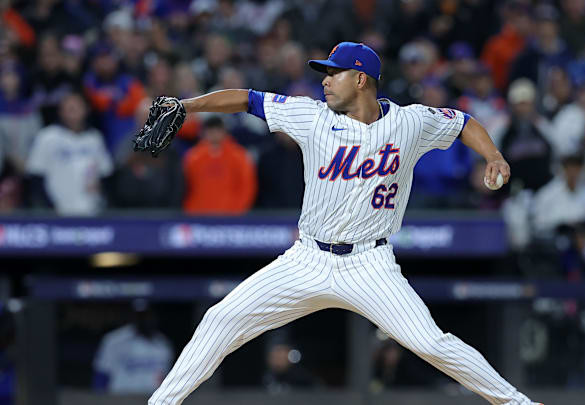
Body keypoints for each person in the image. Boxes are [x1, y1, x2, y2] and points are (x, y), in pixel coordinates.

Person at [147, 42, 542, 405]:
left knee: (431, 343)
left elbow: (462, 123)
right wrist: (187, 105)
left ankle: (517, 403)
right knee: (220, 319)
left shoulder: (410, 122)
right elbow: (247, 100)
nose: (325, 80)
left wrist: (493, 155)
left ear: (360, 79)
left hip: (370, 265)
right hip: (307, 260)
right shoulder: (310, 115)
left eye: (333, 72)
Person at [25, 91, 113, 215]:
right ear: (60, 111)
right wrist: (46, 208)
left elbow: (105, 173)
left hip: (91, 211)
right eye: (69, 108)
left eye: (77, 107)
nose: (73, 111)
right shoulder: (47, 136)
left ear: (86, 110)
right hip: (57, 211)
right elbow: (36, 174)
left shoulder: (94, 138)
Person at [93, 300, 174, 394]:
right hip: (120, 399)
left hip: (152, 399)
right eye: (140, 316)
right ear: (132, 317)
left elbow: (167, 379)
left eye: (147, 315)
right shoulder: (114, 341)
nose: (144, 320)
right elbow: (101, 377)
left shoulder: (163, 344)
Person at [182, 116, 257, 214]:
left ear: (224, 132)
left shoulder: (238, 156)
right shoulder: (193, 157)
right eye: (210, 131)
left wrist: (238, 210)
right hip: (198, 213)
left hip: (229, 215)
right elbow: (185, 185)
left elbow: (247, 185)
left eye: (217, 131)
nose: (214, 135)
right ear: (203, 133)